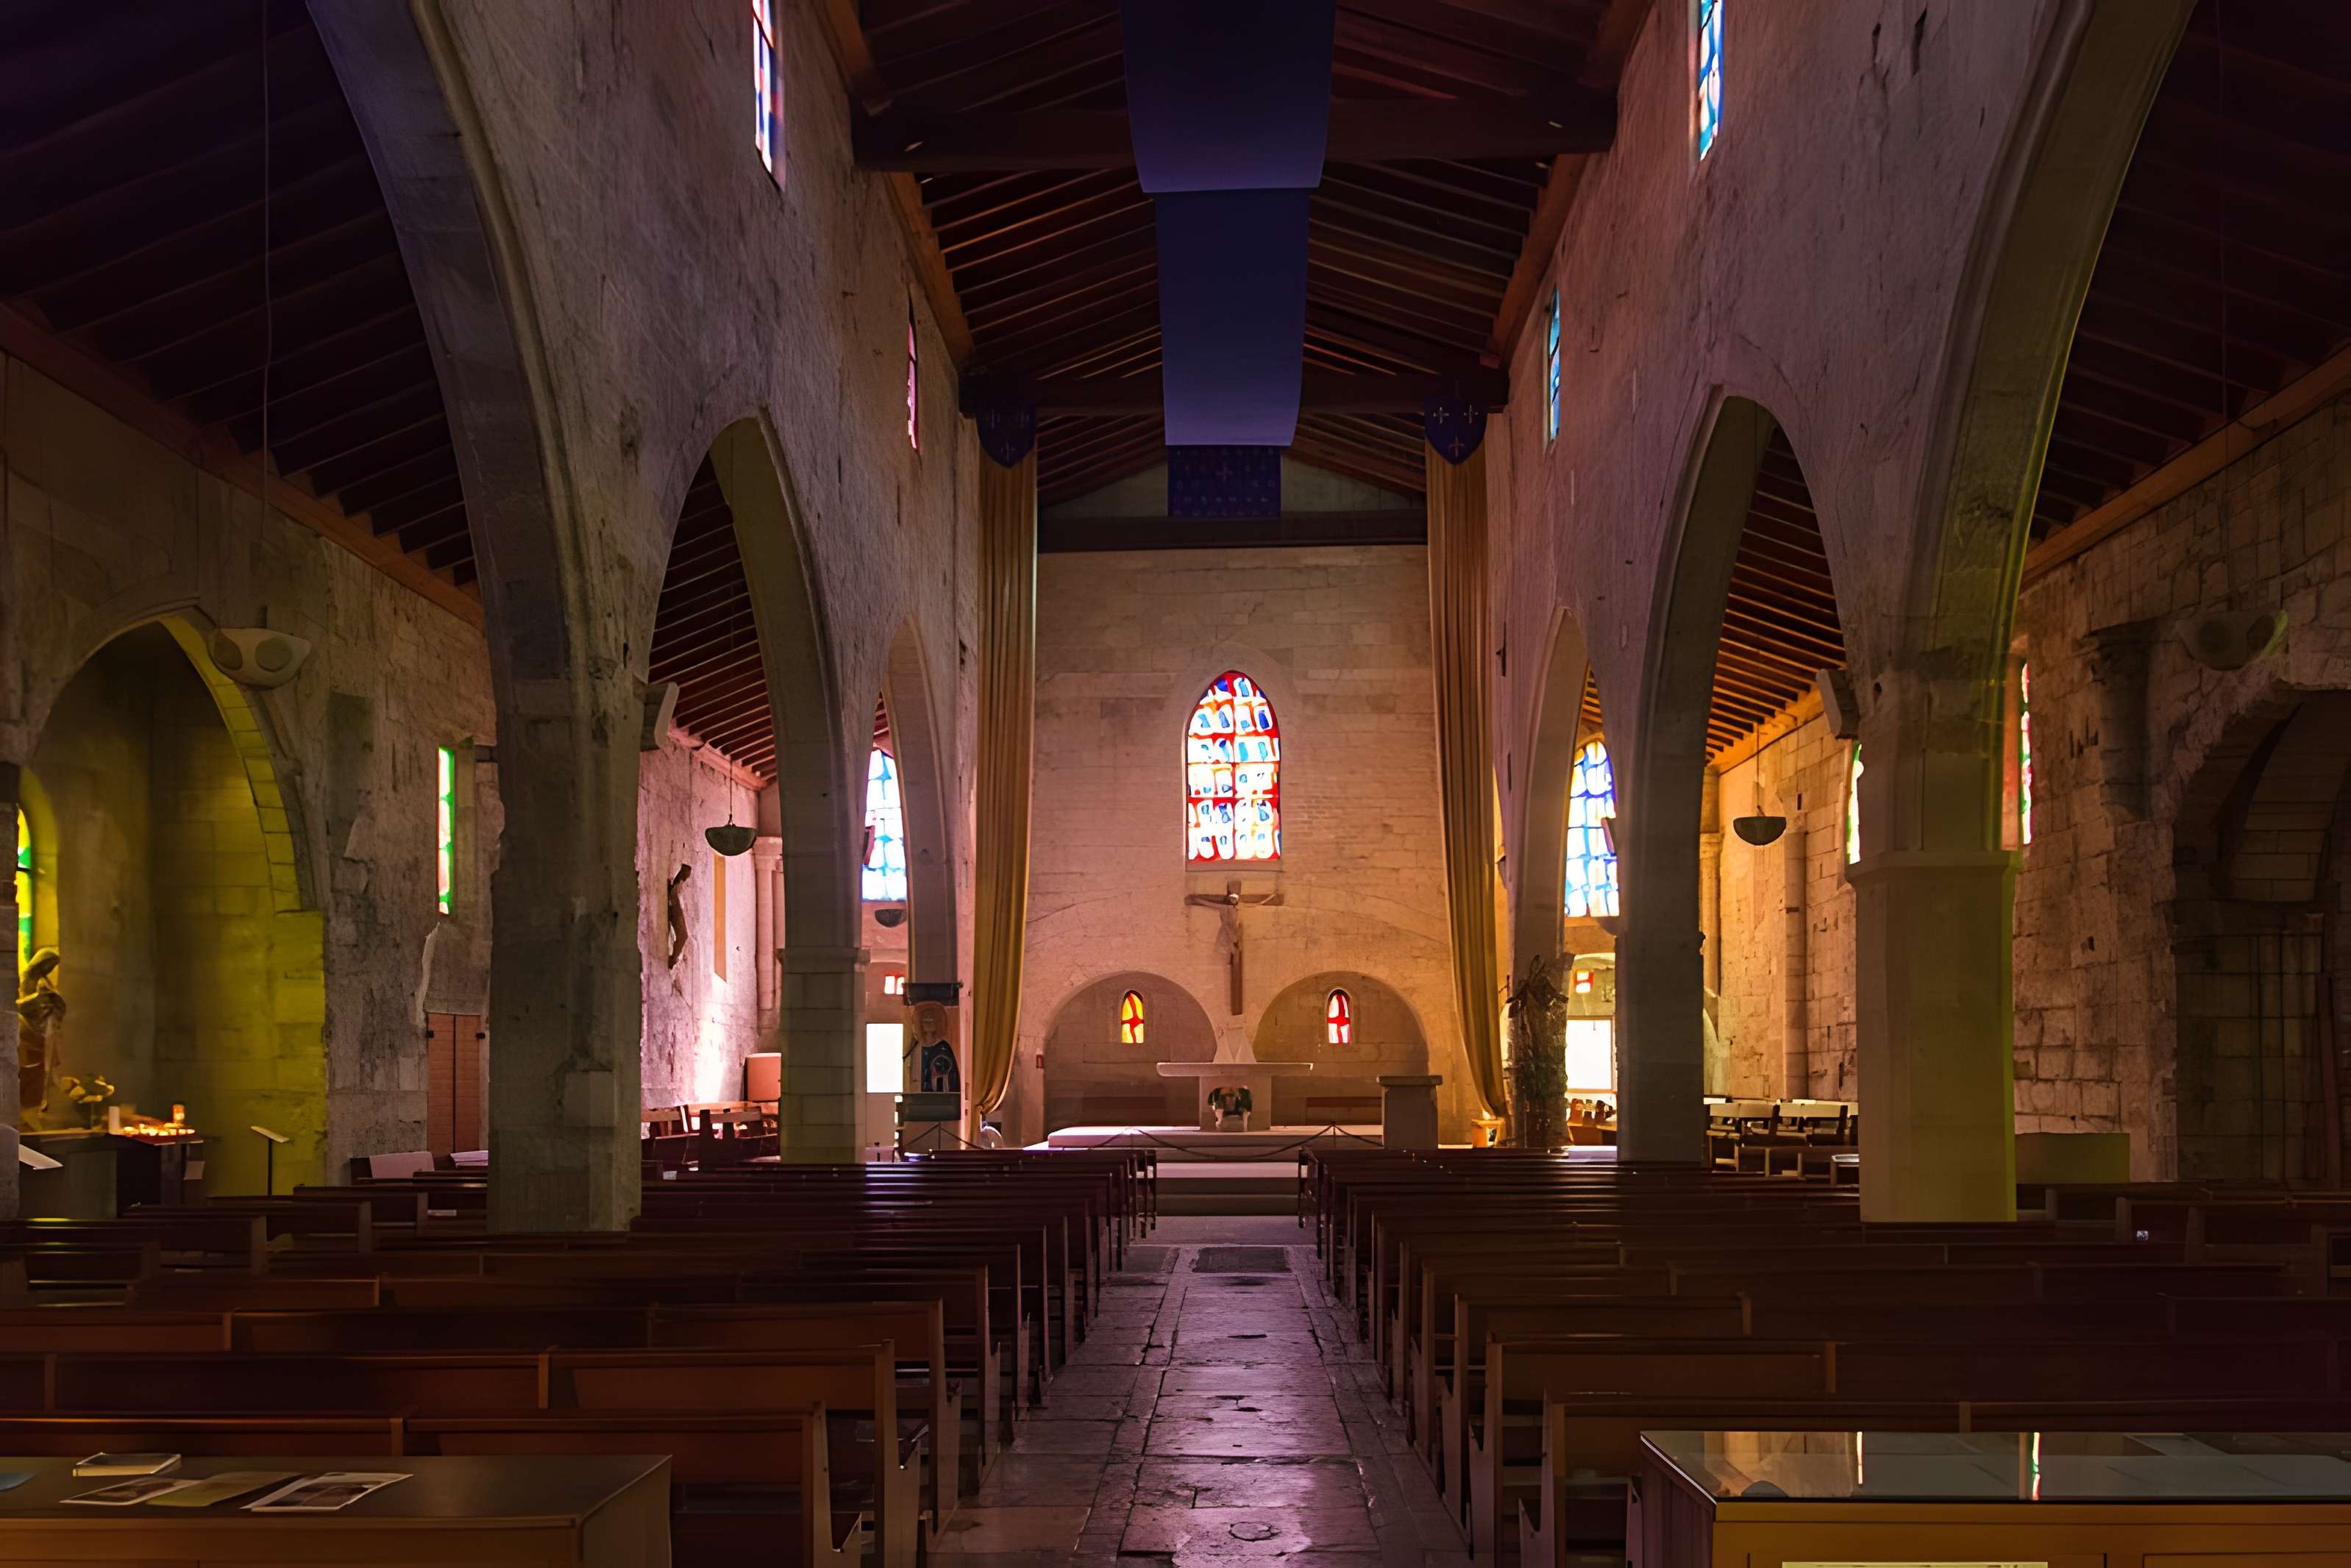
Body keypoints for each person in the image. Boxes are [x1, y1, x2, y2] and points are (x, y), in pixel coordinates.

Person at [17, 947, 66, 1125]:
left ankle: (34, 1110)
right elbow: (19, 1005)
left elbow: (57, 1005)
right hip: (28, 1031)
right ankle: (25, 1114)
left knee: (41, 1072)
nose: (50, 970)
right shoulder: (27, 979)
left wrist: (54, 1003)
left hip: (43, 1032)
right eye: (49, 965)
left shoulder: (45, 981)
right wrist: (39, 999)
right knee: (29, 1071)